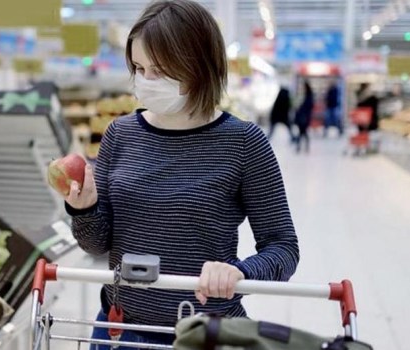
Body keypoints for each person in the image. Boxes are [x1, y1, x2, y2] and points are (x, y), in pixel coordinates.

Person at [57, 1, 300, 348]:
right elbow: (98, 245)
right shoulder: (120, 134)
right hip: (118, 330)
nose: (146, 81)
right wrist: (84, 208)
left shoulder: (244, 143)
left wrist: (240, 272)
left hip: (204, 333)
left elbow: (283, 248)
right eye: (139, 68)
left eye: (161, 70)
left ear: (200, 66)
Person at [294, 81, 314, 153]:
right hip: (304, 117)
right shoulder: (307, 96)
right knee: (302, 132)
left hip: (304, 117)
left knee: (302, 132)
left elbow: (308, 107)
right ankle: (302, 147)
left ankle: (300, 147)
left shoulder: (308, 97)